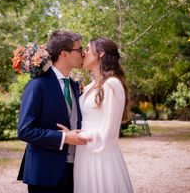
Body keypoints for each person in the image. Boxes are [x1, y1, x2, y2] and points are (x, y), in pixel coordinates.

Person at [17, 30, 89, 193]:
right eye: (79, 49)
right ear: (64, 54)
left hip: (73, 171)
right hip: (44, 174)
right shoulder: (38, 85)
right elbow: (24, 131)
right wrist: (64, 137)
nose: (83, 53)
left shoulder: (73, 85)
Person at [59, 37, 134, 193]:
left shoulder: (112, 85)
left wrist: (75, 136)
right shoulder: (89, 87)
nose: (83, 53)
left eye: (87, 49)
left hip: (101, 158)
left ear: (100, 53)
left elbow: (109, 135)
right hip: (84, 155)